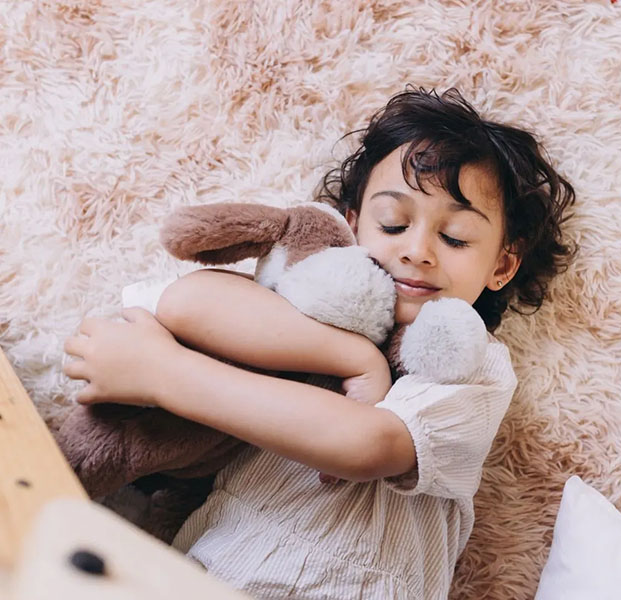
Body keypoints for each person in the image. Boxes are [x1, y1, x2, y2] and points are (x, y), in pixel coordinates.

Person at [62, 87, 576, 599]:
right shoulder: (312, 307)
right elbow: (187, 302)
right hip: (206, 570)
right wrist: (348, 355)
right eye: (393, 223)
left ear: (502, 265)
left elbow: (368, 443)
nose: (417, 251)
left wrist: (165, 375)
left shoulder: (471, 363)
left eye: (457, 238)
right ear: (352, 225)